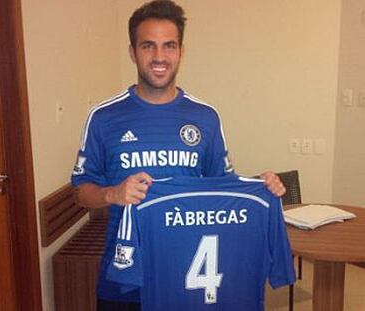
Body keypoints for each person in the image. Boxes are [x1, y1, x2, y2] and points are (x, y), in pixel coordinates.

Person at [71, 1, 285, 310]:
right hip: (124, 279)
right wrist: (112, 193)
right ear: (132, 52)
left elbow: (221, 188)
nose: (159, 57)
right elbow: (81, 193)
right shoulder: (103, 117)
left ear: (181, 51)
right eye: (148, 46)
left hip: (185, 275)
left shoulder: (206, 117)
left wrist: (260, 186)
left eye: (168, 46)